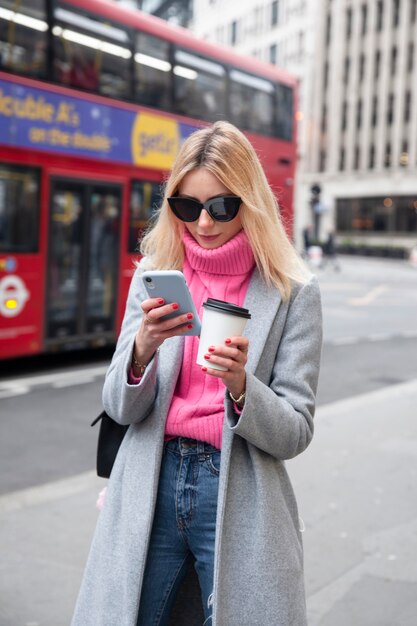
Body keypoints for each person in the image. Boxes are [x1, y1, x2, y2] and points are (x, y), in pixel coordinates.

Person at [71, 121, 323, 626]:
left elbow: (296, 430)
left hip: (237, 489)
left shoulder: (292, 292)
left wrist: (240, 386)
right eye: (187, 207)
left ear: (248, 201)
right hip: (152, 478)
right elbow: (119, 407)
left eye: (221, 207)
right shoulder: (154, 277)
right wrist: (142, 349)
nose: (203, 223)